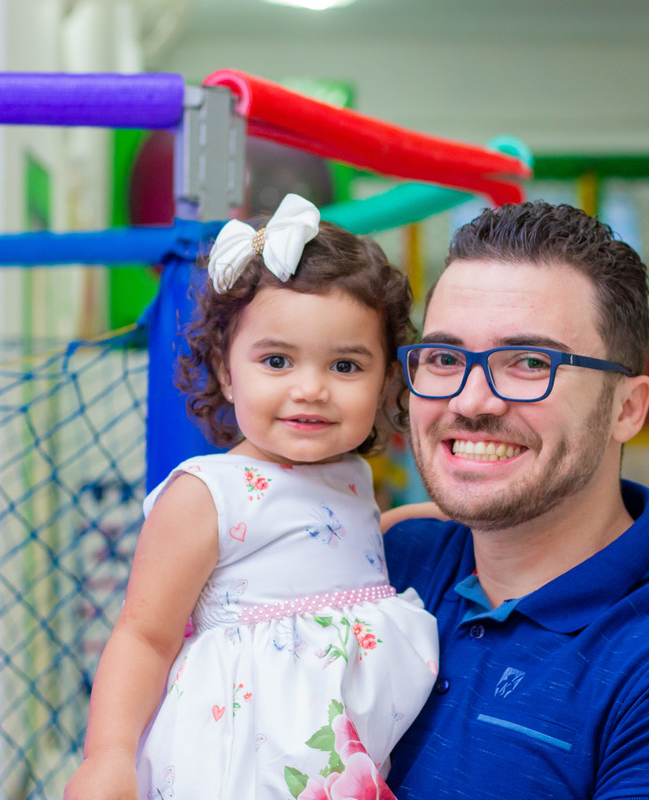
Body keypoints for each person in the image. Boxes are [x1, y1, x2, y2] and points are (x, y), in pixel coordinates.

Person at [381, 201, 649, 798]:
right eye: (445, 358)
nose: (472, 401)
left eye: (531, 362)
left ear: (627, 408)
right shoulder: (390, 562)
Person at [65, 194, 438, 800]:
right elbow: (143, 635)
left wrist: (427, 517)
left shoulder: (350, 476)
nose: (311, 389)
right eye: (277, 360)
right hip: (239, 761)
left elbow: (324, 548)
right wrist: (107, 754)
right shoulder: (206, 494)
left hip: (332, 764)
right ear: (225, 368)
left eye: (346, 366)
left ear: (387, 381)